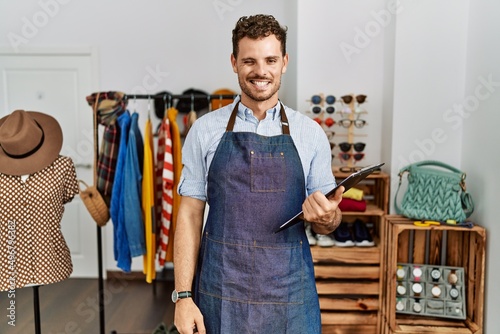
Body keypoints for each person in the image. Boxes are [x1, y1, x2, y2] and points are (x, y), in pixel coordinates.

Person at [173, 14, 343, 334]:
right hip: (220, 289)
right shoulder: (204, 130)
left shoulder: (310, 134)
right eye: (249, 60)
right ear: (234, 62)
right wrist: (182, 297)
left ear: (284, 62)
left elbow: (331, 222)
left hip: (289, 292)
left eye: (270, 60)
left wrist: (325, 217)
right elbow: (190, 215)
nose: (261, 71)